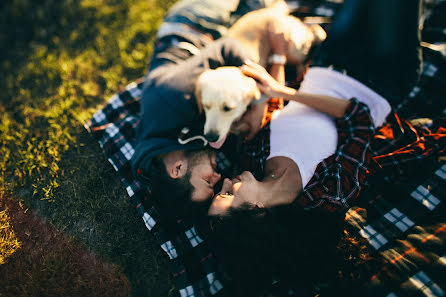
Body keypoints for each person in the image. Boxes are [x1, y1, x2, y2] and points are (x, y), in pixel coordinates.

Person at [208, 0, 423, 215]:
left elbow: (276, 109)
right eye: (228, 194)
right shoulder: (328, 195)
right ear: (256, 210)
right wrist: (283, 92)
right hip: (381, 77)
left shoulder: (252, 160)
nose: (226, 182)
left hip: (328, 60)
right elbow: (359, 118)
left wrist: (278, 56)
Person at [130, 0, 298, 213]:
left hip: (195, 24)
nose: (219, 177)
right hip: (228, 37)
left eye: (208, 181)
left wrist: (259, 102)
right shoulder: (172, 149)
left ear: (178, 169)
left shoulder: (171, 99)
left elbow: (229, 48)